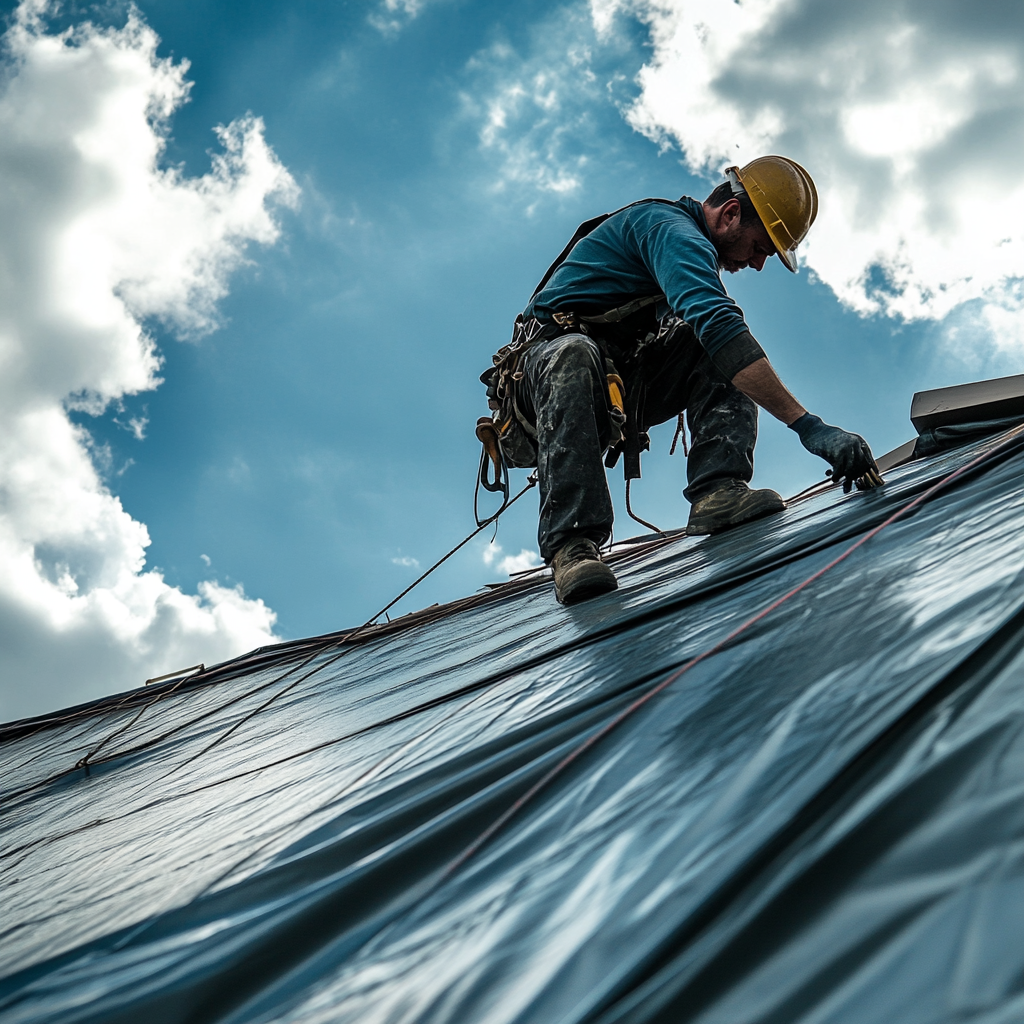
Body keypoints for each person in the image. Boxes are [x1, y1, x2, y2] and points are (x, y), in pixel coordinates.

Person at [481, 156, 882, 605]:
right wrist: (809, 426)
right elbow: (718, 322)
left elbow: (711, 329)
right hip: (545, 376)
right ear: (731, 213)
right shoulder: (671, 230)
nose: (758, 263)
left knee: (705, 339)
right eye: (760, 246)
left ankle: (717, 492)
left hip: (615, 374)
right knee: (691, 334)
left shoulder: (681, 241)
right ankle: (572, 546)